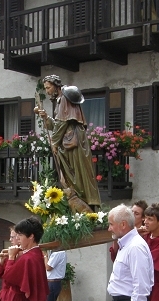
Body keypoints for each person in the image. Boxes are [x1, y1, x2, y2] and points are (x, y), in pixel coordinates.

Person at [34, 74, 101, 210]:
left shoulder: (65, 97)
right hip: (69, 142)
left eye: (48, 88)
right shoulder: (60, 101)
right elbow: (57, 124)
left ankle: (85, 205)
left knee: (77, 175)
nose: (47, 91)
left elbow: (62, 123)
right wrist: (46, 117)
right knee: (72, 177)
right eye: (45, 89)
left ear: (56, 85)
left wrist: (54, 142)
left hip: (74, 143)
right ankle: (79, 205)